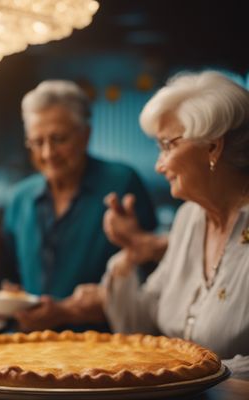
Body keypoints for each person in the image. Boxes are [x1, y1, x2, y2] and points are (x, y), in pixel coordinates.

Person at [100, 70, 249, 378]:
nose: (159, 165)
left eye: (168, 146)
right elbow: (141, 328)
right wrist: (130, 255)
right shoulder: (189, 219)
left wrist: (193, 374)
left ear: (212, 147)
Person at [2, 80, 157, 331]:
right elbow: (9, 273)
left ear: (85, 135)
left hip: (104, 347)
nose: (48, 153)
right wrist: (12, 293)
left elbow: (149, 276)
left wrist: (68, 312)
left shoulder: (121, 182)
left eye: (58, 139)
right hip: (30, 345)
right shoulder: (20, 198)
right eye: (37, 142)